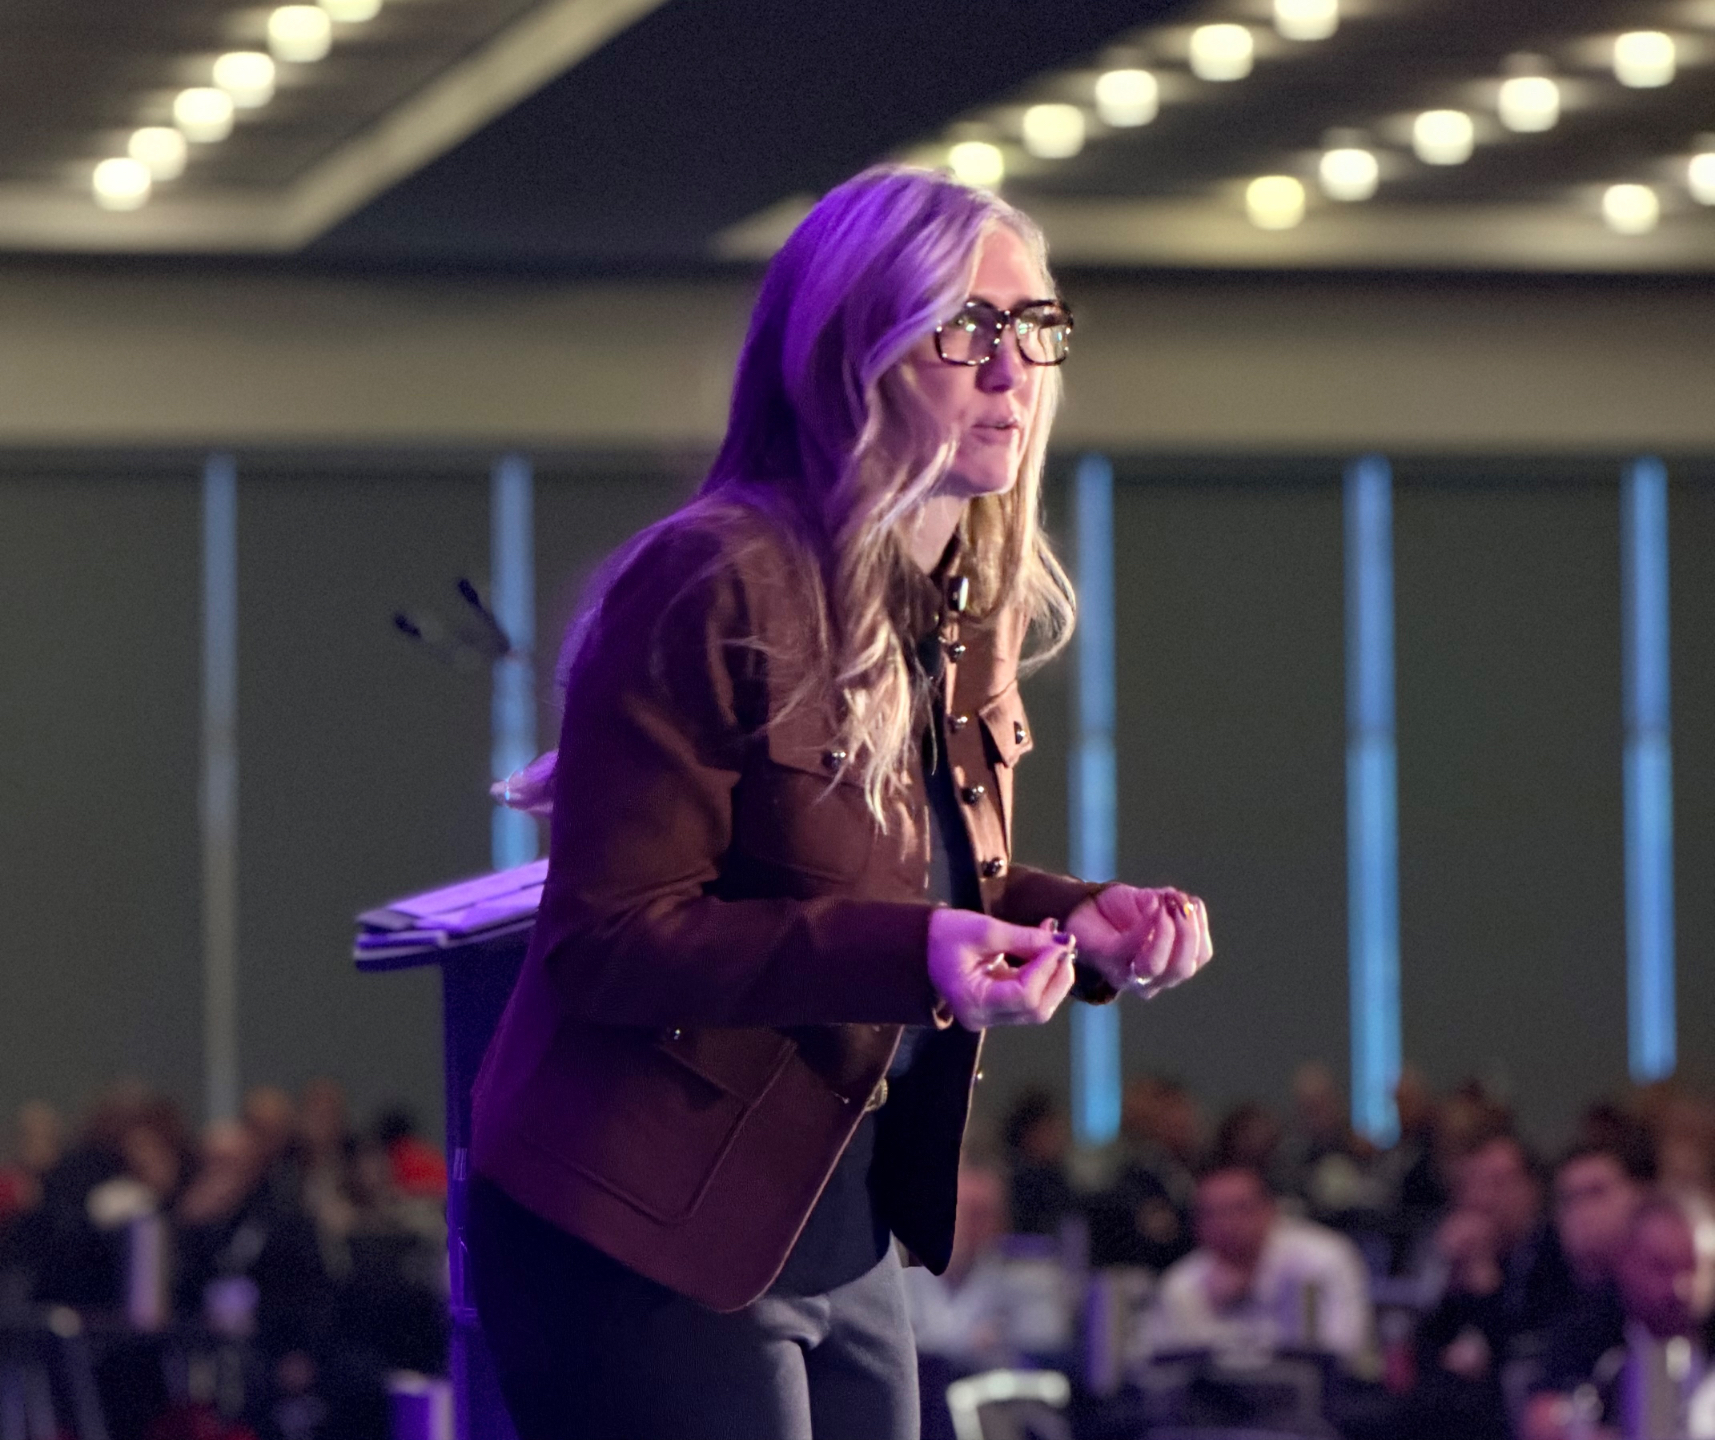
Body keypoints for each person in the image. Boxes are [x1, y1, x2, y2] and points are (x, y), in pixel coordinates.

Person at [465, 164, 1216, 1440]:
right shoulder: (713, 578)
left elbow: (906, 884)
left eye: (1032, 327)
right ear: (846, 360)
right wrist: (914, 954)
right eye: (964, 329)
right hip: (637, 1225)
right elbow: (610, 937)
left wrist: (1076, 921)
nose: (1010, 371)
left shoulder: (959, 596)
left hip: (832, 1214)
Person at [1146, 1163, 1374, 1367]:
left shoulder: (1322, 1258)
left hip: (1320, 1392)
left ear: (1270, 1210)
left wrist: (1258, 1286)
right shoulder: (1182, 1282)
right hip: (1218, 1397)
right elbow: (1166, 1363)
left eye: (1239, 1209)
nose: (1226, 1224)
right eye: (1211, 1214)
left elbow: (1343, 1347)